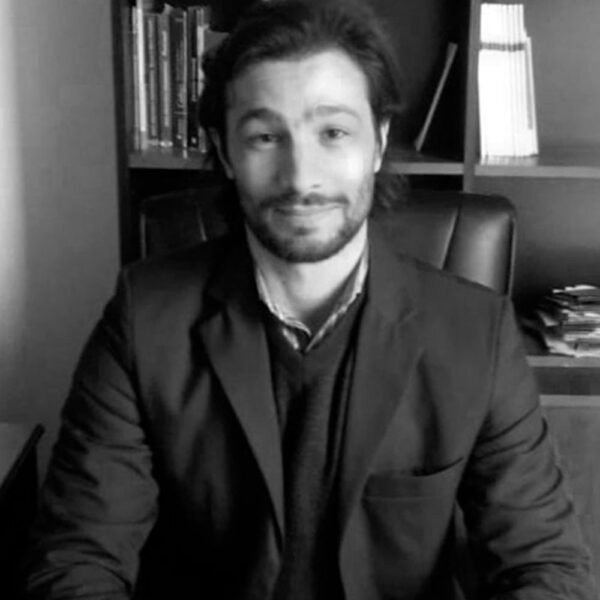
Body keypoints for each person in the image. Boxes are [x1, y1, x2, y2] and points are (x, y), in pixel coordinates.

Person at [25, 0, 595, 598]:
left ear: (378, 142)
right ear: (225, 151)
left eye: (333, 133)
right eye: (266, 136)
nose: (301, 177)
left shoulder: (477, 334)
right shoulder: (144, 319)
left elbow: (545, 564)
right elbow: (77, 557)